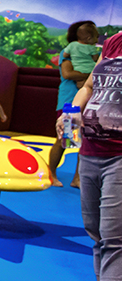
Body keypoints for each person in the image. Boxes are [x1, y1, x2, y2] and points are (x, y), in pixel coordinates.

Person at [55, 32, 122, 281]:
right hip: (93, 149)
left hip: (121, 154)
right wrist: (71, 110)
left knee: (115, 239)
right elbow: (90, 86)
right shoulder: (113, 43)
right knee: (96, 232)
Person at [49, 21, 100, 188]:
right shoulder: (69, 51)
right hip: (71, 100)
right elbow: (68, 73)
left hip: (88, 102)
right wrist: (88, 77)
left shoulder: (91, 54)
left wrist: (86, 79)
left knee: (83, 141)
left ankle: (77, 178)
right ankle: (51, 173)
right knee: (64, 139)